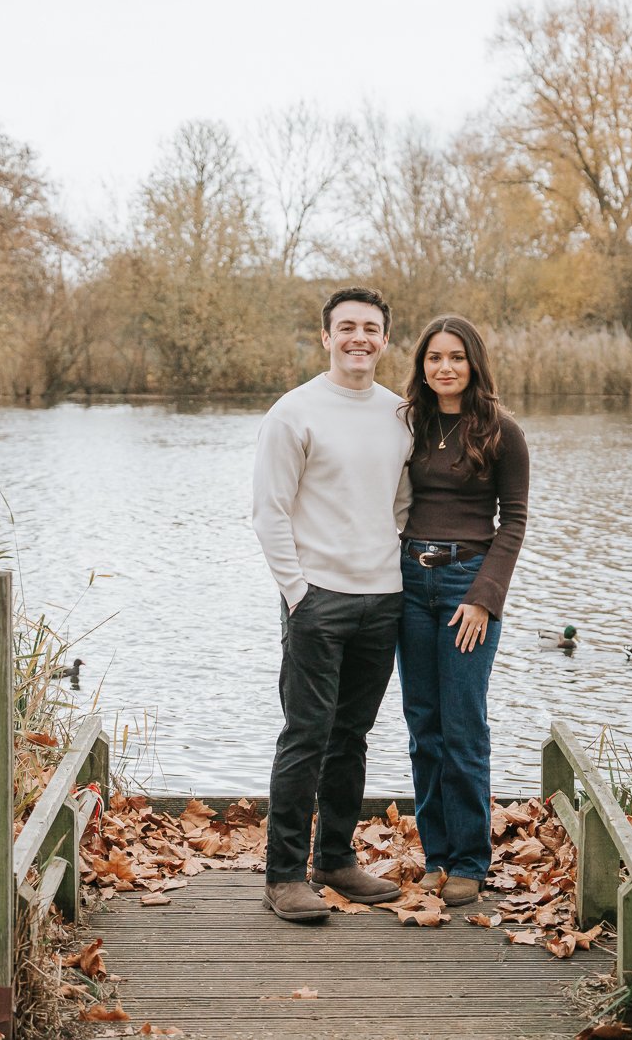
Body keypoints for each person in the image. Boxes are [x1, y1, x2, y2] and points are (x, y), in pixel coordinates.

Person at [251, 286, 412, 922]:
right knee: (307, 734)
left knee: (353, 736)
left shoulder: (401, 415)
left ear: (385, 340)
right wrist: (298, 593)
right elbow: (269, 512)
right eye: (346, 327)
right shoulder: (294, 413)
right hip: (317, 600)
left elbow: (401, 502)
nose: (359, 339)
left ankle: (337, 859)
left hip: (384, 598)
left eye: (370, 329)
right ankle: (285, 873)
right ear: (326, 337)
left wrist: (389, 564)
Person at [396, 314, 529, 907]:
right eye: (433, 358)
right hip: (407, 584)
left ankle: (471, 860)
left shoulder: (501, 431)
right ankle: (437, 855)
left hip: (465, 588)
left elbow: (515, 521)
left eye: (455, 357)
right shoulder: (408, 427)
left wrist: (482, 597)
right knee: (424, 726)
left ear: (473, 363)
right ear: (421, 367)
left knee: (464, 725)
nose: (444, 367)